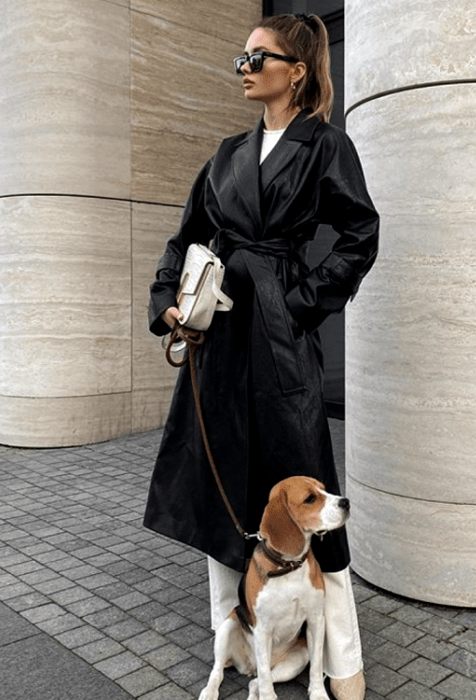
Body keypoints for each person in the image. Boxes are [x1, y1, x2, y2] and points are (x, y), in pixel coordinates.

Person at [143, 12, 379, 700]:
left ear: (295, 71)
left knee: (311, 498)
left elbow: (358, 233)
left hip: (279, 336)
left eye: (256, 59)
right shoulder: (223, 155)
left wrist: (299, 302)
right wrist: (167, 297)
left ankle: (341, 658)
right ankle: (240, 641)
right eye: (240, 60)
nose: (243, 69)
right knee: (224, 496)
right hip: (217, 343)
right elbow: (183, 236)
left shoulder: (325, 146)